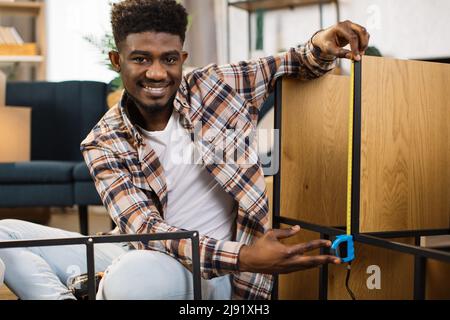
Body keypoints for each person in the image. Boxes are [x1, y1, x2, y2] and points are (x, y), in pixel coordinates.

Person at [0, 0, 369, 300]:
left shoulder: (218, 85)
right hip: (147, 250)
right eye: (141, 58)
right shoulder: (103, 141)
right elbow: (145, 228)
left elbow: (297, 61)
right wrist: (248, 256)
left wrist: (325, 41)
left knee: (132, 280)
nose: (157, 73)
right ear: (117, 60)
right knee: (6, 234)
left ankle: (98, 284)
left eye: (169, 59)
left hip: (217, 271)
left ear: (182, 56)